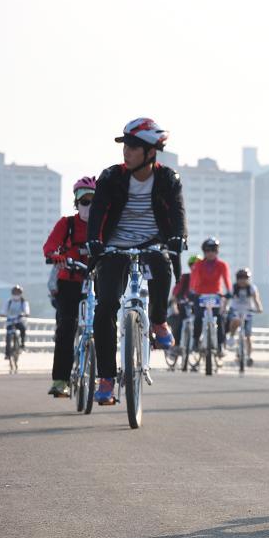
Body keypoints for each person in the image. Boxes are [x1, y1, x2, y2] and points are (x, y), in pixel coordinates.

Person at [87, 118, 185, 405]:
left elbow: (178, 213)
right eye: (125, 146)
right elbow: (97, 213)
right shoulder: (111, 177)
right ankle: (106, 378)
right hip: (114, 247)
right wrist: (94, 241)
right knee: (105, 307)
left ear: (150, 152)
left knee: (161, 264)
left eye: (132, 147)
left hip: (152, 243)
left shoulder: (168, 179)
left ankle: (159, 321)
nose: (126, 152)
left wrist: (178, 238)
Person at [41, 176, 95, 396]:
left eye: (93, 201)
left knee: (104, 325)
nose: (88, 206)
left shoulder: (105, 225)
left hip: (97, 282)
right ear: (76, 202)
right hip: (70, 282)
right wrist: (55, 255)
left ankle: (105, 379)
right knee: (66, 327)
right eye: (84, 201)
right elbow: (50, 245)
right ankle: (60, 380)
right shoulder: (67, 224)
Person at [189, 237, 231, 359]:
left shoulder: (222, 265)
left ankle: (220, 345)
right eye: (208, 250)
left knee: (220, 318)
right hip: (200, 295)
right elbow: (193, 279)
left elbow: (226, 279)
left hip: (216, 295)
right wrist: (192, 291)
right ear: (204, 252)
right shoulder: (198, 265)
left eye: (213, 250)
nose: (211, 253)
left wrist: (229, 291)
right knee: (198, 317)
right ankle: (195, 341)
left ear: (217, 251)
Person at [226, 268, 263, 363]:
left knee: (248, 335)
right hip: (236, 310)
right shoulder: (233, 287)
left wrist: (259, 308)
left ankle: (249, 356)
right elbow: (226, 299)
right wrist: (223, 308)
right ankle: (232, 336)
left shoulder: (252, 288)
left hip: (248, 311)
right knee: (235, 320)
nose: (242, 280)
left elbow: (256, 299)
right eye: (240, 278)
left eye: (245, 278)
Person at [168, 253, 200, 354]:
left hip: (197, 306)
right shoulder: (185, 278)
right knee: (179, 320)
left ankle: (198, 343)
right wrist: (174, 307)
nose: (196, 267)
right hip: (181, 306)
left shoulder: (205, 280)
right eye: (193, 265)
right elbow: (174, 295)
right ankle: (176, 345)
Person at [4, 286, 29, 359]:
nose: (16, 294)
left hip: (19, 321)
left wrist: (24, 314)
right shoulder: (9, 302)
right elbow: (3, 310)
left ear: (20, 293)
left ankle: (22, 345)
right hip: (10, 321)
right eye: (15, 292)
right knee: (8, 336)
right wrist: (2, 314)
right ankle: (7, 353)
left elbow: (26, 311)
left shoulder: (23, 302)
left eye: (17, 292)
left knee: (23, 329)